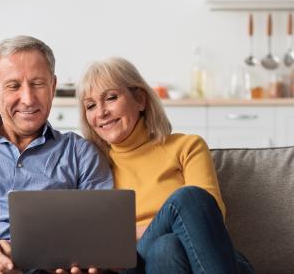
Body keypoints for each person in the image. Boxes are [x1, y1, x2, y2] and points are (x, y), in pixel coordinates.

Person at [0, 35, 113, 274]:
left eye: (38, 84)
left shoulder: (81, 152)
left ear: (53, 87)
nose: (28, 99)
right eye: (13, 86)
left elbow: (100, 234)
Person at [77, 57, 254, 274]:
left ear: (140, 99)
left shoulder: (187, 146)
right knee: (171, 230)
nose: (101, 112)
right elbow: (97, 237)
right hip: (134, 265)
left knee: (170, 238)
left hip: (203, 257)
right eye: (91, 105)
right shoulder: (93, 166)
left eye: (111, 98)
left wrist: (128, 232)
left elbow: (209, 216)